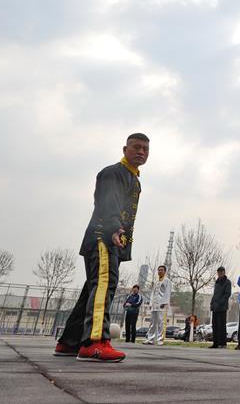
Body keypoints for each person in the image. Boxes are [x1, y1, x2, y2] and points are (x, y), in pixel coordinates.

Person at [53, 133, 149, 362]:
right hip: (103, 237)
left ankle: (69, 342)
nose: (141, 152)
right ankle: (94, 343)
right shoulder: (112, 173)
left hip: (113, 240)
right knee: (104, 286)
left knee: (93, 289)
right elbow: (108, 202)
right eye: (136, 147)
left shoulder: (134, 179)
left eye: (146, 149)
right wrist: (115, 228)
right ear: (124, 149)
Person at [144, 265, 171, 345]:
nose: (160, 271)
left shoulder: (167, 281)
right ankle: (150, 339)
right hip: (154, 305)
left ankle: (160, 340)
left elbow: (167, 292)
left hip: (161, 305)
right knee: (152, 322)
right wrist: (150, 303)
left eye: (161, 270)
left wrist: (164, 302)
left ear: (165, 271)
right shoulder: (156, 281)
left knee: (161, 322)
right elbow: (152, 293)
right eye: (159, 270)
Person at [209, 266, 232, 349]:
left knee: (221, 326)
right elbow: (215, 294)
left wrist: (219, 303)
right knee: (215, 325)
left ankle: (222, 343)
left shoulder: (227, 282)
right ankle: (215, 343)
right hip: (215, 307)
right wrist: (212, 303)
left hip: (222, 308)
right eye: (219, 272)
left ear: (224, 272)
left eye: (221, 272)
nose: (220, 273)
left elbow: (227, 294)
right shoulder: (217, 282)